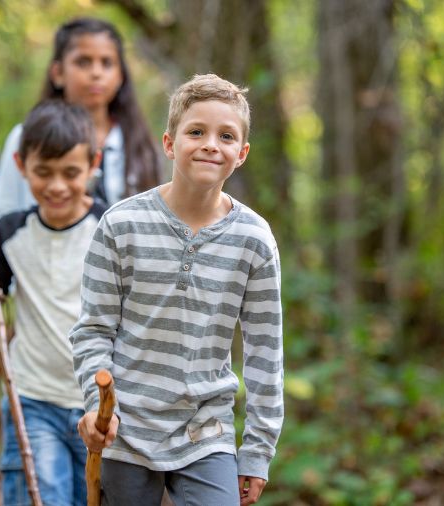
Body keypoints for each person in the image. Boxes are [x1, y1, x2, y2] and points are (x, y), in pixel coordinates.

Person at [71, 74, 284, 506]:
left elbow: (265, 352)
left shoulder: (254, 239)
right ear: (169, 144)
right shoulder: (120, 225)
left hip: (207, 431)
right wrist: (98, 405)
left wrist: (257, 451)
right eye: (196, 132)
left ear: (241, 154)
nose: (210, 144)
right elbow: (93, 330)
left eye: (226, 136)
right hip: (126, 428)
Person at [0, 100, 107, 506]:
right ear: (21, 165)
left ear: (93, 164)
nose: (57, 186)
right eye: (43, 172)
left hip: (99, 408)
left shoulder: (111, 230)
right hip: (33, 400)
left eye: (70, 173)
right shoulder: (10, 233)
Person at [0, 17, 161, 229]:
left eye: (107, 63)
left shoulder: (139, 144)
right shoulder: (24, 138)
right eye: (83, 62)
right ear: (58, 73)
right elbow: (0, 219)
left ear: (120, 76)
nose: (96, 73)